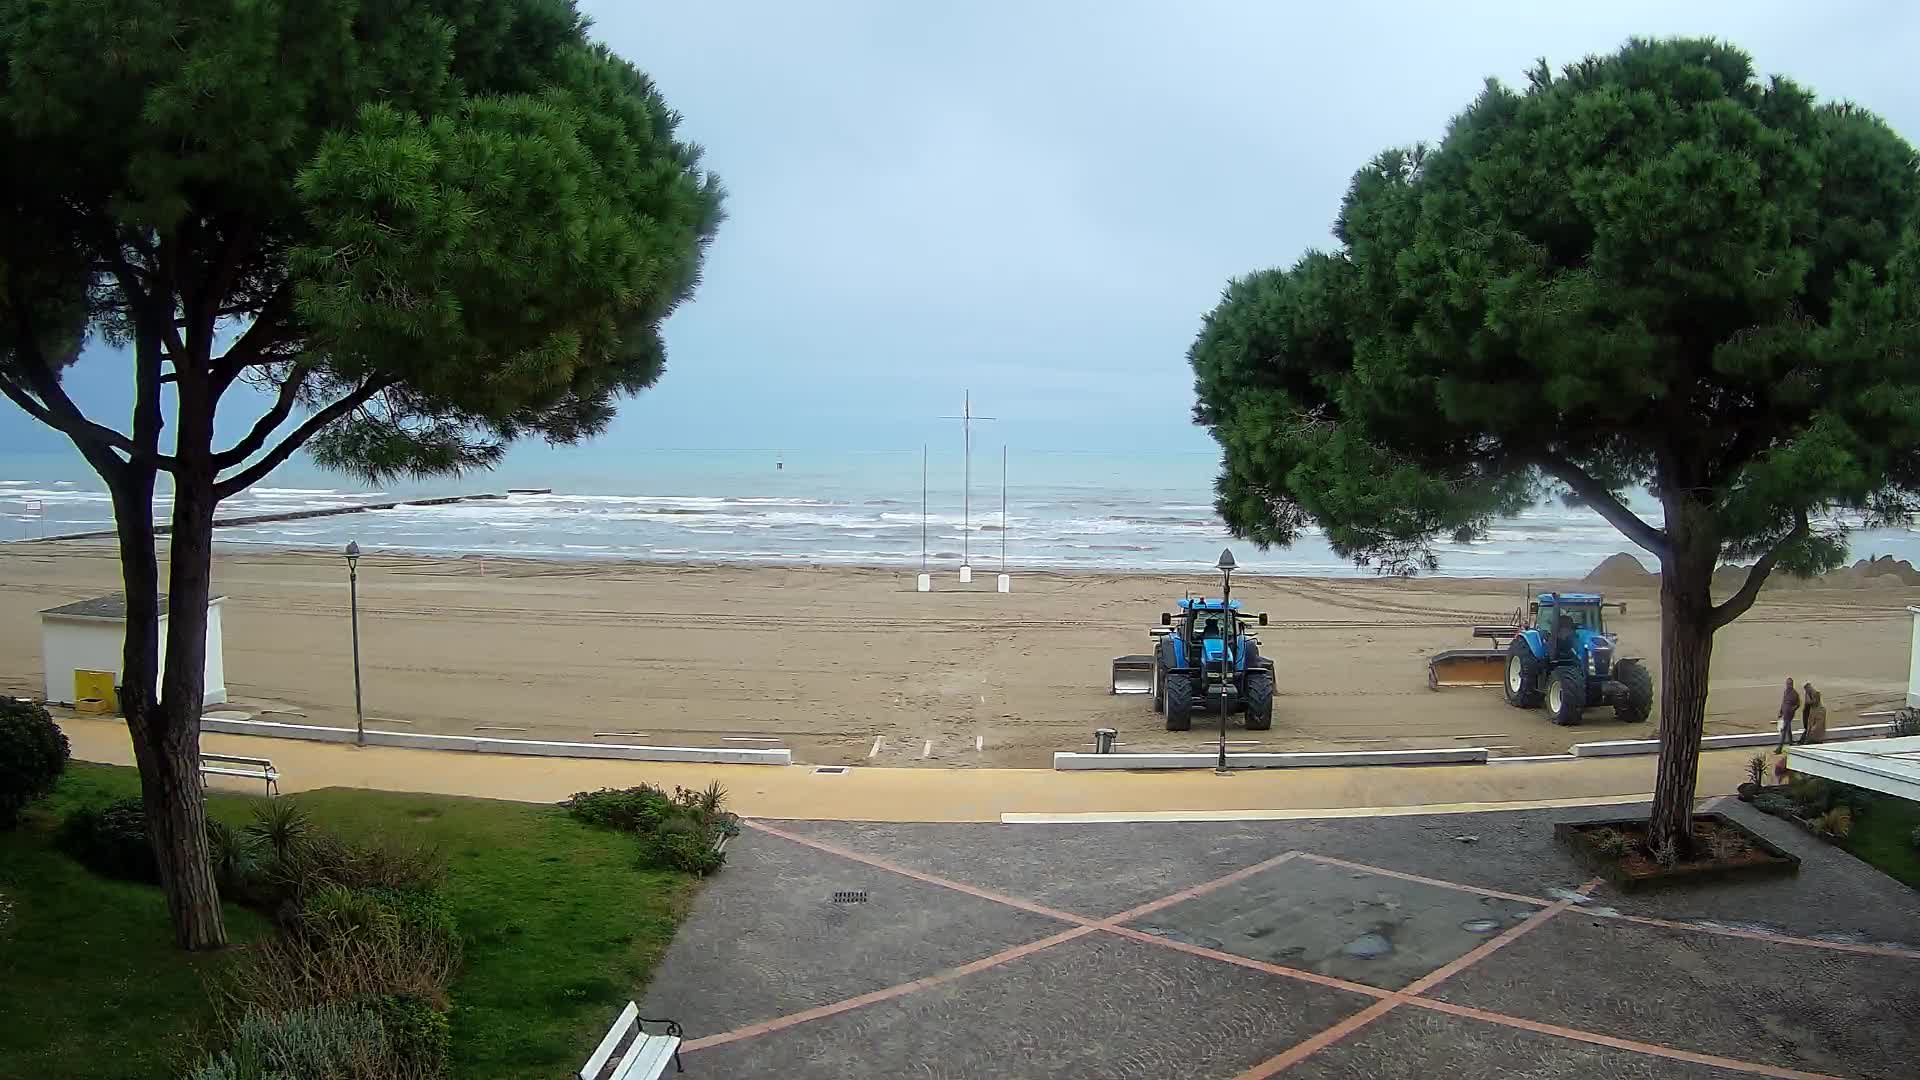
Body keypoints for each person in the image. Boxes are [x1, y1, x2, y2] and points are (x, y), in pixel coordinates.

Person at [1775, 677, 1801, 752]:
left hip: (1789, 714)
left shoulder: (1795, 693)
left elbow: (1798, 704)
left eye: (1789, 684)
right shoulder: (1786, 691)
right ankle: (1791, 743)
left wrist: (1793, 709)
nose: (1788, 685)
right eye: (1787, 684)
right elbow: (1783, 702)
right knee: (1788, 729)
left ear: (1792, 684)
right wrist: (1781, 712)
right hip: (1785, 713)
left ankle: (1779, 748)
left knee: (1784, 730)